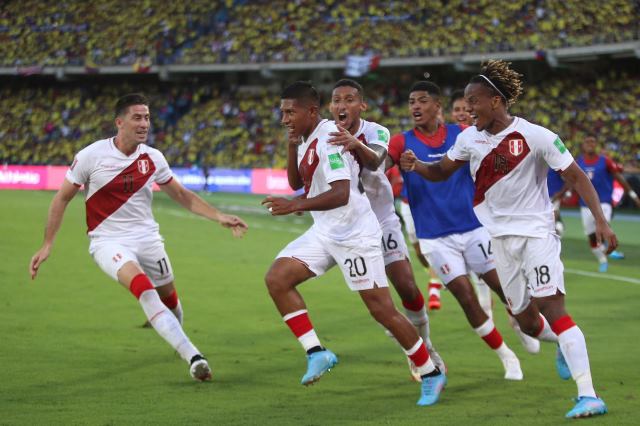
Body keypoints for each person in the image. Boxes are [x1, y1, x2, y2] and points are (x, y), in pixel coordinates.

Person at [400, 60, 614, 419]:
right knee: (528, 322)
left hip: (536, 235)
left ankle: (588, 395)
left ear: (496, 101)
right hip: (500, 241)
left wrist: (602, 223)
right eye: (465, 104)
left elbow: (578, 177)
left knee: (554, 310)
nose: (467, 111)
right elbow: (440, 172)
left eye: (474, 102)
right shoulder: (469, 138)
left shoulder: (537, 136)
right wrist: (416, 166)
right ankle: (562, 344)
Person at [29, 93, 249, 382]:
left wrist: (218, 216)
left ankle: (174, 332)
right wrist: (47, 243)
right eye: (137, 117)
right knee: (143, 288)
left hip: (148, 239)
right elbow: (61, 199)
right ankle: (193, 356)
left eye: (147, 117)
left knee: (170, 299)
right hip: (107, 241)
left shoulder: (153, 157)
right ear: (119, 122)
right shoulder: (91, 156)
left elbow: (182, 195)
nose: (144, 123)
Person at [262, 81, 446, 406]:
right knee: (277, 278)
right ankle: (317, 352)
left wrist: (295, 205)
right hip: (326, 231)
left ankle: (430, 371)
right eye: (283, 113)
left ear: (311, 111)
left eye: (290, 112)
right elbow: (296, 181)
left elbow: (342, 193)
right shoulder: (308, 139)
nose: (285, 118)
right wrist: (293, 146)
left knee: (383, 310)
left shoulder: (332, 139)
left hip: (356, 233)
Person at [388, 81, 537, 383]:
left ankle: (525, 324)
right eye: (411, 101)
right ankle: (506, 356)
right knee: (467, 298)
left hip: (474, 229)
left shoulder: (464, 135)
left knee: (504, 287)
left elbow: (497, 159)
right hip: (434, 236)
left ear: (438, 107)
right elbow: (377, 164)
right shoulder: (400, 142)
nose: (415, 106)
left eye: (422, 100)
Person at [326, 78, 445, 379]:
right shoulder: (322, 135)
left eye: (349, 99)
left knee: (406, 285)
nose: (342, 105)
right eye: (337, 100)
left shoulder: (376, 131)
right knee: (380, 306)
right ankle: (414, 351)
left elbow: (378, 162)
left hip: (381, 221)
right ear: (330, 106)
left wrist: (355, 144)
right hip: (349, 230)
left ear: (361, 105)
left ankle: (426, 345)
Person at [449, 89, 494, 317]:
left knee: (496, 271)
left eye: (466, 110)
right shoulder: (453, 139)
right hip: (458, 217)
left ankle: (519, 320)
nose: (461, 114)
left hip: (484, 212)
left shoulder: (482, 137)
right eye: (457, 110)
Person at [574, 135, 640, 271]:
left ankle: (610, 248)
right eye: (587, 141)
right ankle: (603, 259)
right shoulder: (578, 162)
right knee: (592, 237)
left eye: (593, 141)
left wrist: (634, 196)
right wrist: (565, 192)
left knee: (604, 225)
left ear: (596, 144)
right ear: (583, 145)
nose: (590, 143)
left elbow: (620, 178)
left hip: (604, 202)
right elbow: (572, 179)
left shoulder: (605, 161)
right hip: (585, 205)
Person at [547, 168, 566, 237]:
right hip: (544, 195)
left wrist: (561, 193)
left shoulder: (556, 166)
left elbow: (568, 180)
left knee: (553, 214)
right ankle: (559, 226)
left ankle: (556, 231)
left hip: (554, 195)